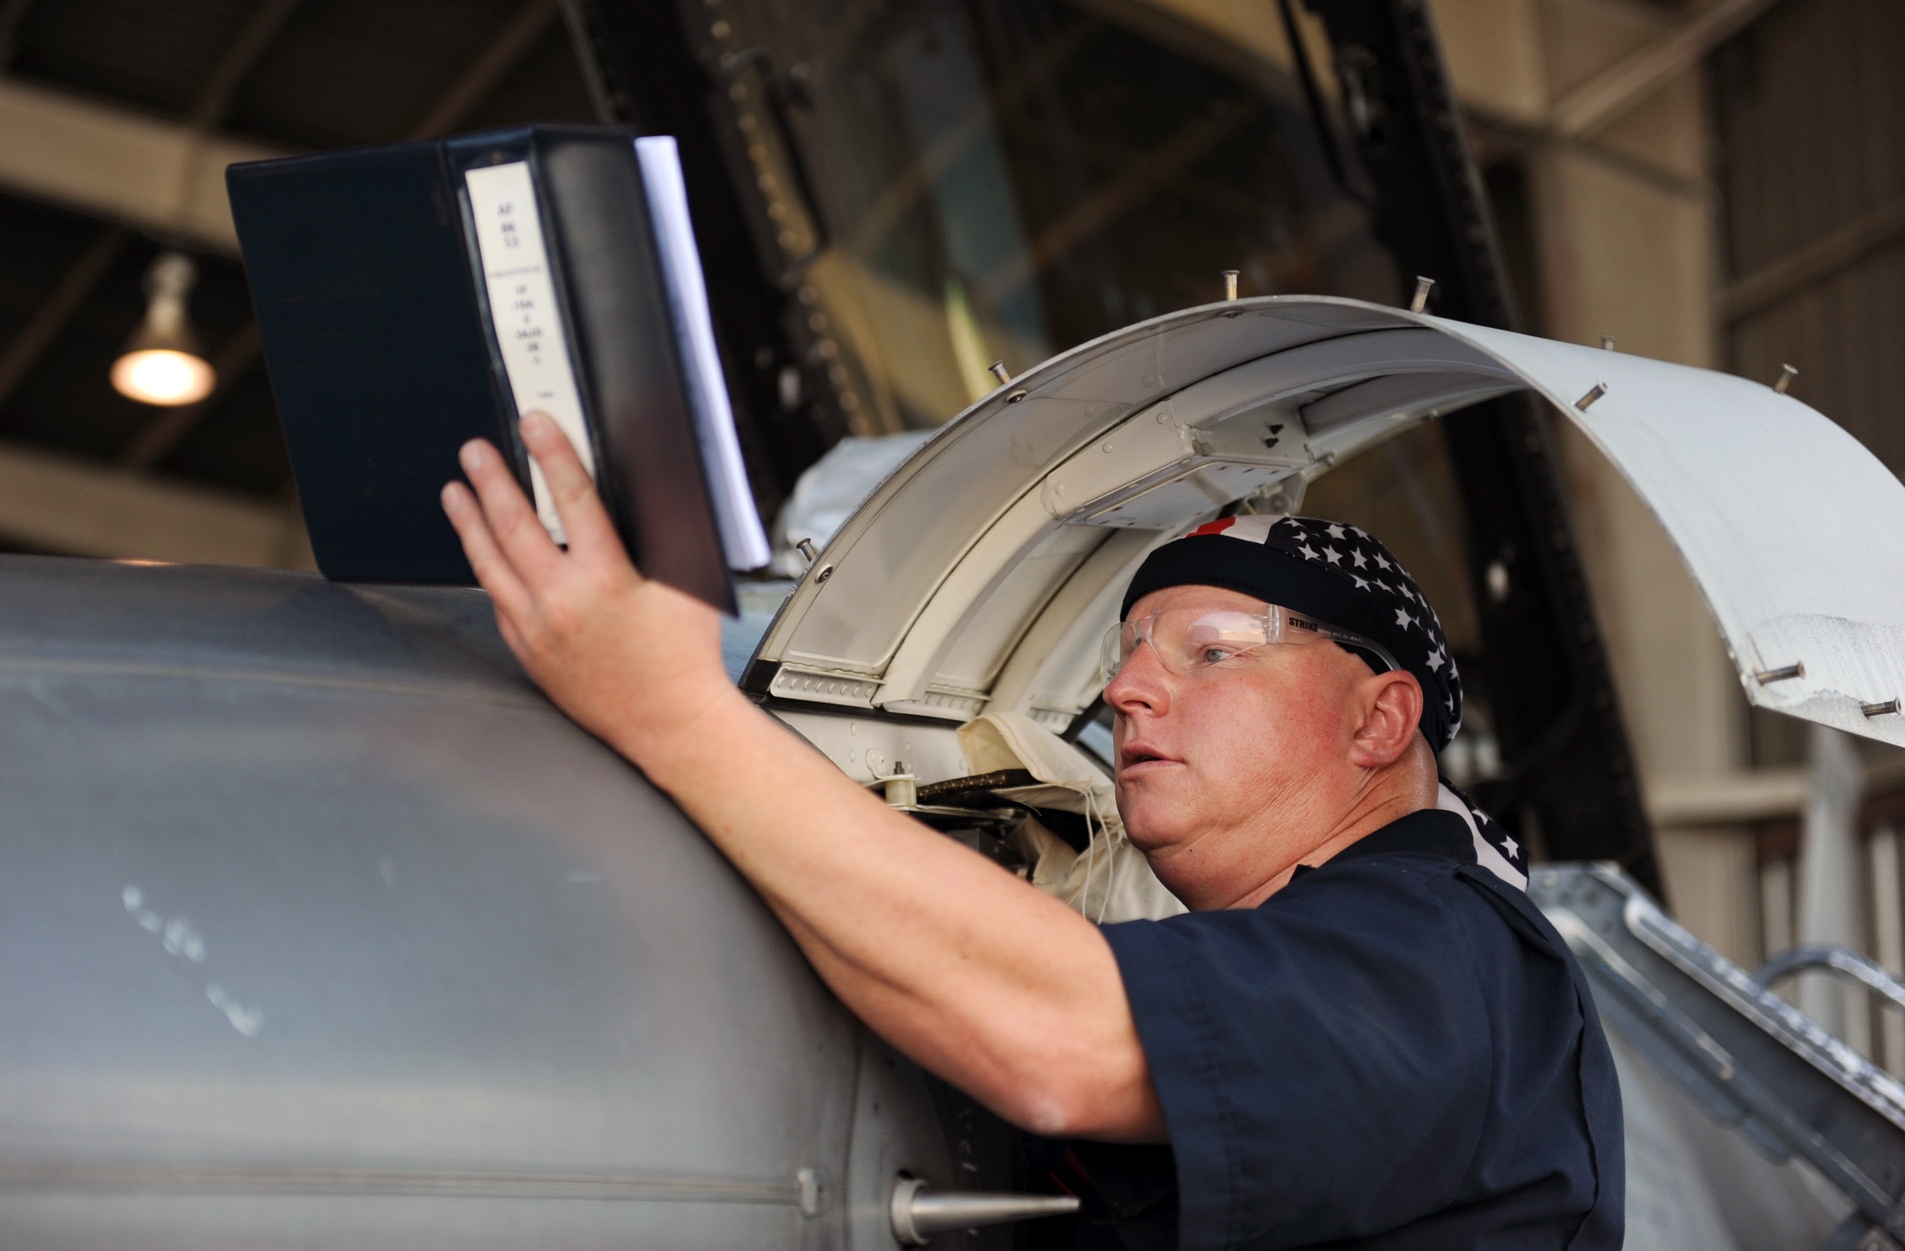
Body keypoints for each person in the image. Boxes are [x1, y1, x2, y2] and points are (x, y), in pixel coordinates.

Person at [441, 412, 1625, 1250]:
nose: (1127, 692)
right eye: (1124, 658)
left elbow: (1070, 1042)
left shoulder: (1444, 951)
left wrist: (673, 711)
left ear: (1379, 716)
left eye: (1209, 651)